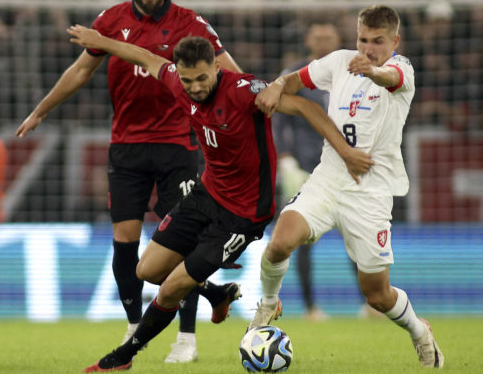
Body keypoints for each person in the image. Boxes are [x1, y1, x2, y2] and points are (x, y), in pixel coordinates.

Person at [66, 28, 373, 372]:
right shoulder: (175, 80)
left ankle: (121, 358)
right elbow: (145, 57)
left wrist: (345, 152)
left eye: (201, 78)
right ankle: (217, 294)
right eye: (187, 80)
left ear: (215, 67)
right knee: (146, 270)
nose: (195, 87)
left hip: (243, 214)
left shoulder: (245, 91)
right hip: (206, 194)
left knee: (170, 289)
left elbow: (304, 107)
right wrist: (101, 42)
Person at [15, 0, 243, 363]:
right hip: (127, 146)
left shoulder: (192, 24)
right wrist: (42, 108)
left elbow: (229, 73)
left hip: (179, 145)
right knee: (125, 240)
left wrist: (248, 108)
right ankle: (136, 325)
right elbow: (81, 71)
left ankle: (186, 339)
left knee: (180, 242)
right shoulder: (110, 20)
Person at [250, 5, 445, 369]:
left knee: (377, 295)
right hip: (328, 178)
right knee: (280, 241)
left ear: (394, 41)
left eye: (377, 41)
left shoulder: (402, 69)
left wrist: (373, 69)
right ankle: (266, 305)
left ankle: (419, 331)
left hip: (370, 192)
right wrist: (278, 85)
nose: (368, 48)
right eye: (362, 40)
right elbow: (296, 80)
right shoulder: (340, 61)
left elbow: (389, 77)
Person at [272, 21, 341, 321]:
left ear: (338, 41)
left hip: (342, 165)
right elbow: (276, 121)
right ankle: (310, 307)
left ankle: (371, 303)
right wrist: (285, 160)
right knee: (299, 239)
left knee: (355, 231)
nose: (324, 42)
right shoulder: (294, 76)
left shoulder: (351, 74)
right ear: (308, 40)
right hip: (304, 169)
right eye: (318, 37)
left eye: (329, 37)